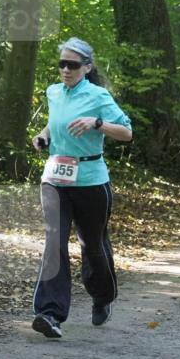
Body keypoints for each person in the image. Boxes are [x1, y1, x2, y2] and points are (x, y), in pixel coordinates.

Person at [30, 38, 132, 337]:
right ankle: (50, 314)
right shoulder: (54, 92)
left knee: (92, 245)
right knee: (54, 242)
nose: (65, 70)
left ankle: (102, 296)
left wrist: (97, 123)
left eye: (72, 65)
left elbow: (126, 132)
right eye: (62, 64)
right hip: (55, 179)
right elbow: (55, 122)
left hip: (90, 180)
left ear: (87, 67)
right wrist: (44, 136)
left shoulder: (99, 96)